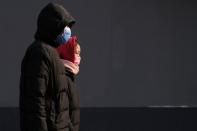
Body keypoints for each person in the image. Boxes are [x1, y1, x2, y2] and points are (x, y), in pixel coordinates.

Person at [19, 2, 80, 131]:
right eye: (63, 27)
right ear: (52, 27)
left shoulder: (51, 52)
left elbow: (59, 103)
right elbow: (35, 102)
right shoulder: (40, 52)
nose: (67, 31)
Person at [56, 36, 81, 131]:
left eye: (79, 54)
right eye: (76, 53)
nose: (79, 57)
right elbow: (61, 113)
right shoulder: (63, 78)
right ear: (68, 53)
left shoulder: (68, 77)